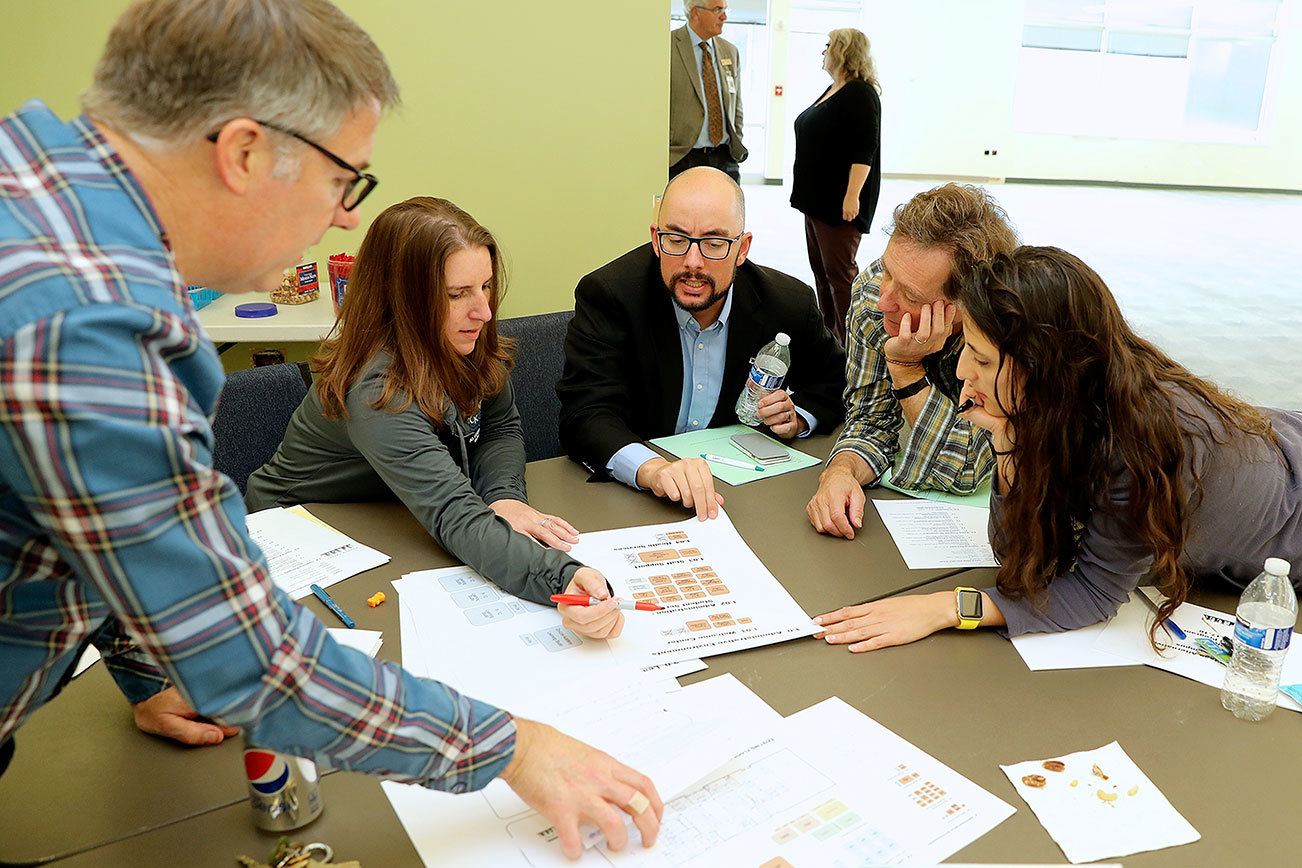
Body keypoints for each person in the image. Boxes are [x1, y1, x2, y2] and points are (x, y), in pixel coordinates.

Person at [0, 1, 660, 856]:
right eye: (344, 177)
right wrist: (516, 748)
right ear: (243, 152)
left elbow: (80, 521)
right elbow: (259, 667)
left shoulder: (43, 183)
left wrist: (141, 660)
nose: (347, 216)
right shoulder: (88, 331)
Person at [815, 246, 1302, 652]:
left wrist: (945, 607)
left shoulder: (1141, 444)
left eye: (982, 360)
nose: (963, 372)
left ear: (1044, 368)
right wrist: (1005, 442)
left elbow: (1092, 591)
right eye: (968, 349)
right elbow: (1018, 555)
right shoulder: (1067, 400)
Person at [247, 197, 622, 635]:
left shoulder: (461, 335)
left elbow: (499, 426)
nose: (482, 310)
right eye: (457, 294)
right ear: (402, 301)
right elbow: (454, 515)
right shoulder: (376, 388)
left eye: (485, 286)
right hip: (314, 533)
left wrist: (504, 496)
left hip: (399, 510)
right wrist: (562, 578)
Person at [558, 167, 846, 520]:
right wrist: (653, 469)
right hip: (632, 498)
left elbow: (838, 382)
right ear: (655, 238)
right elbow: (585, 413)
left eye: (714, 243)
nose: (692, 263)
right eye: (676, 240)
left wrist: (797, 416)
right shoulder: (610, 295)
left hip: (743, 498)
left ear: (742, 249)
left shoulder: (787, 302)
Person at [806, 184, 1018, 539]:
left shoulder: (1009, 327)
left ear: (965, 305)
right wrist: (840, 472)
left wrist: (907, 371)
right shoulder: (875, 296)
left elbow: (967, 468)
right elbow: (869, 421)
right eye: (889, 272)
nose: (884, 301)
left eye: (911, 295)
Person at [790, 28, 882, 345]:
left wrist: (852, 196)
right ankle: (831, 336)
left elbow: (864, 149)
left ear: (843, 50)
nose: (823, 51)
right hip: (816, 201)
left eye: (828, 45)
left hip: (837, 205)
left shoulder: (860, 92)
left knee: (840, 276)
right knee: (822, 272)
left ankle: (851, 342)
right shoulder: (834, 88)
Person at [669, 1, 747, 182]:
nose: (724, 16)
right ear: (695, 13)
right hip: (682, 158)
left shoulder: (730, 51)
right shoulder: (668, 47)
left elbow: (737, 105)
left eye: (725, 9)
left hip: (725, 158)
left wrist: (737, 139)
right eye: (717, 10)